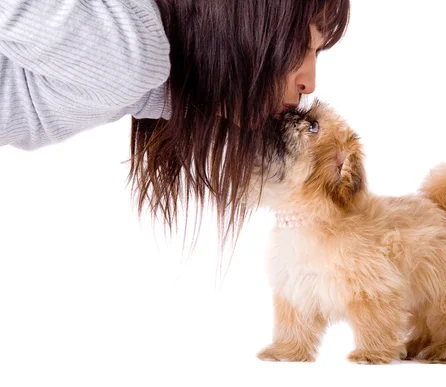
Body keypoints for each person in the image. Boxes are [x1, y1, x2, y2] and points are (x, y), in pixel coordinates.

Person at [0, 0, 351, 244]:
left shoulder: (142, 76)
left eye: (316, 53)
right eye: (299, 46)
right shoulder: (129, 57)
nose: (310, 83)